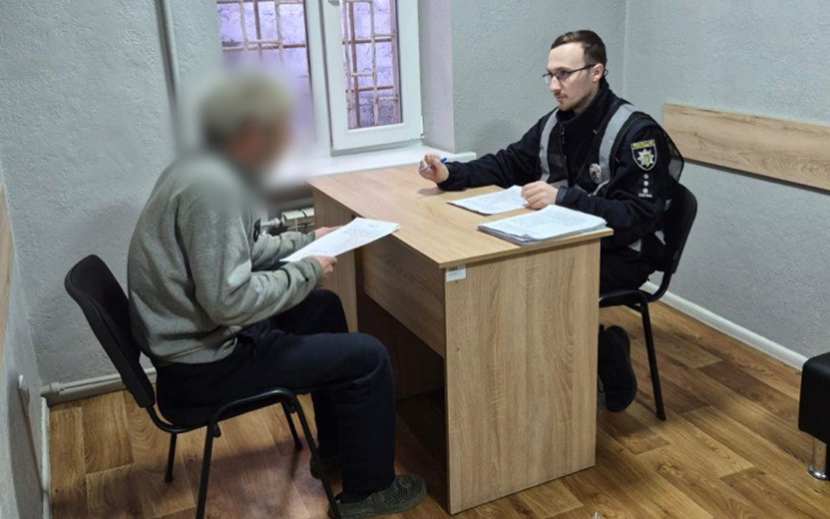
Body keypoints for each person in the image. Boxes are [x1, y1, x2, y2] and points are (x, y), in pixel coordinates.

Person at [127, 72, 425, 519]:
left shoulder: (202, 166)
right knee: (369, 356)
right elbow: (228, 300)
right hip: (205, 367)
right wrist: (306, 271)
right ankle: (369, 493)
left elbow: (242, 252)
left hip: (195, 344)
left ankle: (337, 450)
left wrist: (307, 241)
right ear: (251, 131)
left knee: (324, 307)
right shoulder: (214, 188)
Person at [419, 30, 683, 413]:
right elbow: (509, 163)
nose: (554, 86)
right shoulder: (556, 122)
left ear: (596, 72)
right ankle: (534, 382)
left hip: (625, 252)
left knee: (530, 282)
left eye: (564, 74)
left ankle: (598, 358)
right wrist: (450, 174)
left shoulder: (638, 134)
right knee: (508, 275)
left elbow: (637, 216)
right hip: (567, 237)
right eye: (550, 75)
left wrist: (562, 199)